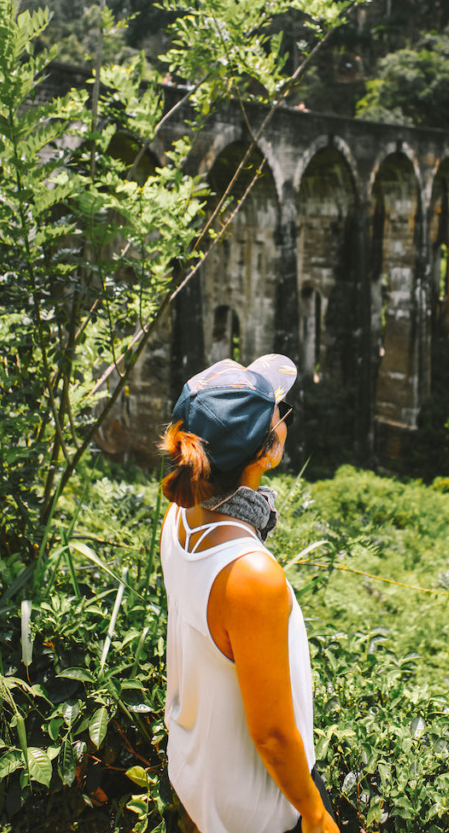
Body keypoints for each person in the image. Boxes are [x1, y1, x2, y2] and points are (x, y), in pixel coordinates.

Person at [159, 355, 339, 833]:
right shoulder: (250, 576)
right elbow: (274, 734)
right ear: (267, 452)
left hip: (196, 776)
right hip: (250, 811)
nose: (284, 416)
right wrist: (316, 815)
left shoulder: (180, 515)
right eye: (279, 413)